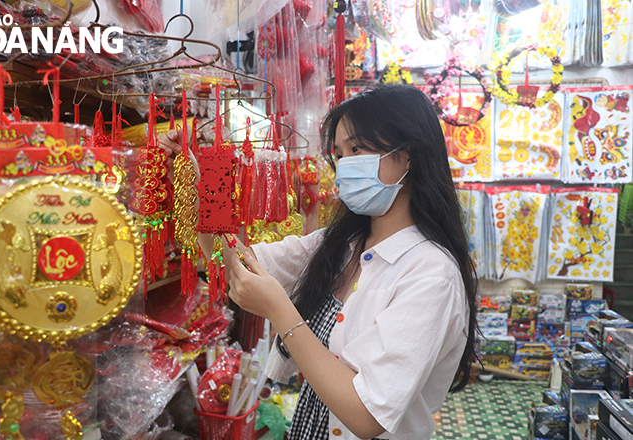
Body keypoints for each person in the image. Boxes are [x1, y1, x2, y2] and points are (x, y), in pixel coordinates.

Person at [159, 84, 477, 440]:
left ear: (409, 155)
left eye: (357, 149)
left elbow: (366, 416)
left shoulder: (432, 274)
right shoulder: (340, 244)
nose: (344, 166)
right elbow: (233, 263)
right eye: (339, 154)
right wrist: (202, 181)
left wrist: (281, 313)